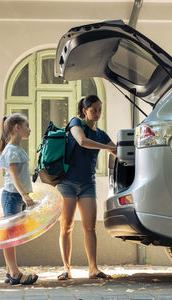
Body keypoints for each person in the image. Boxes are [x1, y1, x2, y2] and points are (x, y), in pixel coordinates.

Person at [57, 95, 117, 280]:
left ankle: (93, 268)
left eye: (99, 110)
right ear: (84, 111)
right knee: (66, 227)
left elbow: (116, 150)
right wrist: (103, 147)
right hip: (67, 182)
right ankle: (66, 268)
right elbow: (82, 141)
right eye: (93, 110)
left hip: (87, 184)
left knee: (90, 227)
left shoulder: (101, 134)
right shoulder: (76, 123)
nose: (97, 113)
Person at [0, 113, 38, 285]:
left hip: (15, 197)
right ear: (17, 128)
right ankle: (14, 273)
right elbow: (14, 176)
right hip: (12, 196)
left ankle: (9, 272)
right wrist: (24, 195)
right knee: (9, 236)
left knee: (11, 234)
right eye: (26, 125)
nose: (29, 129)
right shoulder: (12, 150)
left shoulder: (15, 149)